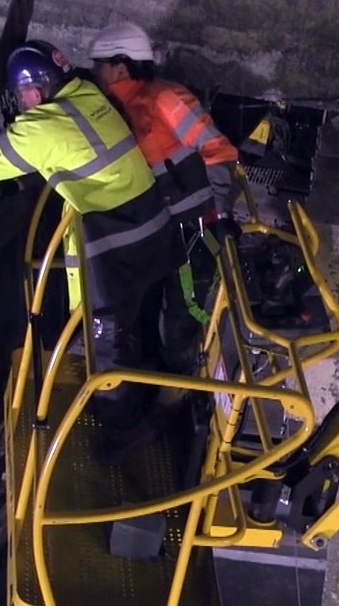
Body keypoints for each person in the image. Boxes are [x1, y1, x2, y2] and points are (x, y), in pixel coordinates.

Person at [0, 40, 181, 461]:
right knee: (139, 319)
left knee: (104, 341)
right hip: (152, 229)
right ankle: (158, 387)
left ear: (35, 91)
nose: (22, 103)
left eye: (23, 95)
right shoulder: (87, 94)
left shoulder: (42, 128)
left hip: (116, 243)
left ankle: (124, 431)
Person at [87, 22, 242, 373]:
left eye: (100, 65)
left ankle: (179, 396)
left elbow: (217, 150)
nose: (96, 73)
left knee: (182, 319)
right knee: (144, 314)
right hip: (156, 232)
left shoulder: (165, 99)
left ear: (121, 67)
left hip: (195, 230)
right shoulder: (111, 111)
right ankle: (155, 385)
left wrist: (221, 216)